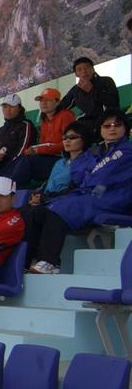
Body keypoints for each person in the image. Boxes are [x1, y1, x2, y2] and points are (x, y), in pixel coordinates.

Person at [27, 110, 132, 274]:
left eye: (117, 125)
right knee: (34, 212)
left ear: (125, 128)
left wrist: (89, 175)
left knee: (61, 208)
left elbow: (100, 176)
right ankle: (28, 260)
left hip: (113, 198)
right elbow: (78, 173)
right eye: (107, 126)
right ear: (100, 129)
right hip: (90, 195)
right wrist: (90, 176)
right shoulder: (97, 151)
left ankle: (50, 262)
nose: (112, 128)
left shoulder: (126, 151)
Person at [8, 87, 75, 185]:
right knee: (20, 158)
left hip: (62, 160)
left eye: (48, 100)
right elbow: (43, 144)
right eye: (41, 100)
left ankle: (8, 188)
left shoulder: (65, 115)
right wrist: (36, 150)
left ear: (58, 102)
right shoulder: (44, 120)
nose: (43, 103)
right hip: (47, 158)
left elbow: (68, 144)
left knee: (26, 161)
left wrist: (38, 150)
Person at [54, 56, 121, 135]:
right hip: (88, 125)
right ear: (76, 74)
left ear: (93, 69)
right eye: (79, 69)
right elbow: (62, 106)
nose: (84, 71)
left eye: (87, 68)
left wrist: (91, 90)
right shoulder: (76, 90)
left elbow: (113, 102)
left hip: (109, 120)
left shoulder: (106, 81)